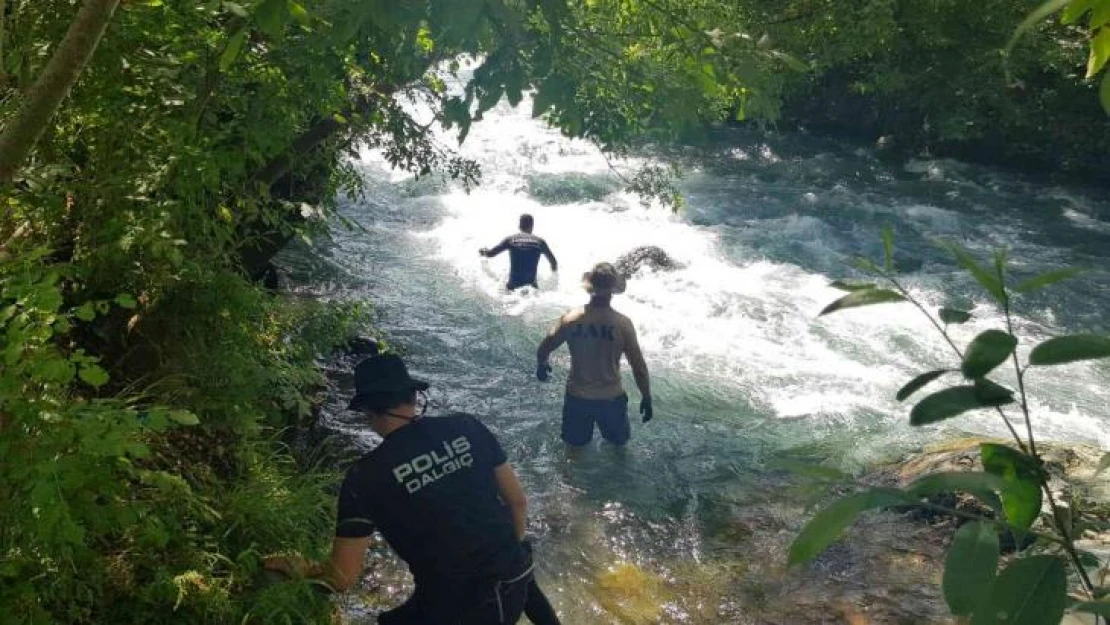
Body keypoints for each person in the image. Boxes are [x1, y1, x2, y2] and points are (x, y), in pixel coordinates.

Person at [264, 353, 560, 625]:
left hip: (459, 606)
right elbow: (518, 502)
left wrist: (300, 569)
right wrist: (503, 556)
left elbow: (341, 578)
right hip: (517, 576)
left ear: (368, 409)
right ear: (414, 396)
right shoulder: (467, 426)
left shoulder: (365, 477)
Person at [535, 263, 653, 449]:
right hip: (611, 399)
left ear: (590, 288)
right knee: (619, 448)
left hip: (578, 397)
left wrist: (542, 364)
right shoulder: (622, 324)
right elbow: (638, 367)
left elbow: (546, 345)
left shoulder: (571, 319)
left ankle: (567, 479)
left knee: (573, 450)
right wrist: (646, 396)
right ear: (613, 291)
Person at [479, 214, 558, 291]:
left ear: (520, 226)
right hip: (531, 288)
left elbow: (491, 254)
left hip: (513, 287)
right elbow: (553, 262)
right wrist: (553, 277)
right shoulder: (540, 242)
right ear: (532, 226)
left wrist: (483, 251)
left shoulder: (510, 239)